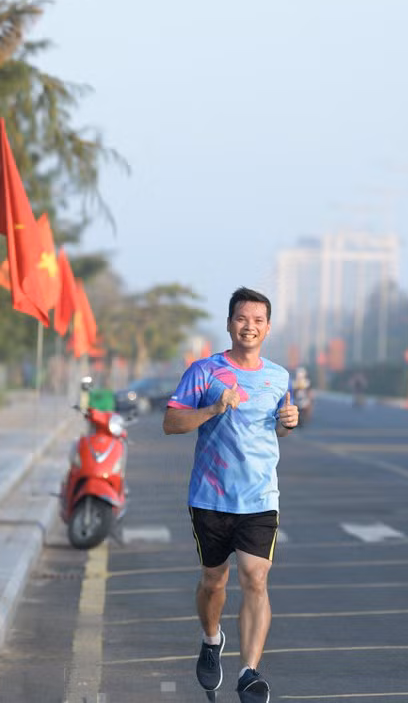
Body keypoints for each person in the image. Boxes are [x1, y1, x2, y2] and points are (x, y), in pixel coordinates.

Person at [163, 287, 298, 703]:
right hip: (211, 497)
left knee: (255, 578)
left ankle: (249, 672)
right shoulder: (203, 372)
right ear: (229, 324)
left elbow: (275, 426)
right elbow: (171, 423)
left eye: (258, 321)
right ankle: (210, 638)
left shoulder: (278, 377)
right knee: (213, 581)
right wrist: (211, 410)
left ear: (268, 328)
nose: (249, 327)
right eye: (242, 319)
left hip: (260, 496)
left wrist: (288, 422)